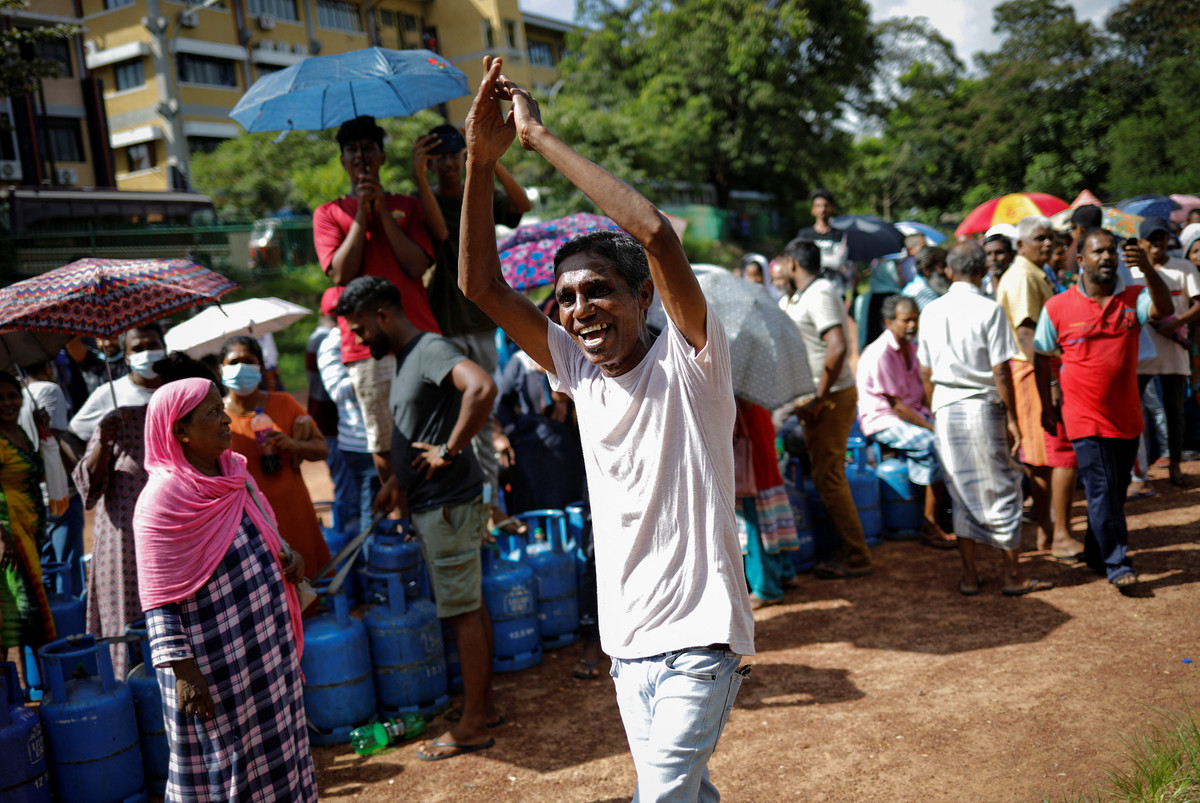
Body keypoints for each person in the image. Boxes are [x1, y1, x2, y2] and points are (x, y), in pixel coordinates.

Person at [458, 57, 754, 799]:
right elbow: (480, 287)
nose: (579, 307)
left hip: (700, 635)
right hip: (626, 644)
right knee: (687, 794)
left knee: (659, 795)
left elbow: (653, 230)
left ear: (642, 297)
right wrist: (477, 164)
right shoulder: (576, 369)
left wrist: (538, 139)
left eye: (599, 289)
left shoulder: (694, 357)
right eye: (565, 298)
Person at [335, 276, 501, 762]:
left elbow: (482, 386)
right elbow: (424, 427)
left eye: (360, 328)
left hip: (446, 505)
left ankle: (472, 724)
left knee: (462, 611)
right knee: (469, 604)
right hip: (436, 500)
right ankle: (483, 708)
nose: (359, 338)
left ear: (383, 315)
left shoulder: (429, 349)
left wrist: (450, 449)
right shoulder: (408, 358)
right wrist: (399, 481)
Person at [133, 378, 317, 800]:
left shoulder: (234, 471)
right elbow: (158, 597)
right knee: (225, 762)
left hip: (266, 646)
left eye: (222, 409)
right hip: (213, 662)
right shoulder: (162, 499)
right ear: (180, 431)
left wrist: (287, 555)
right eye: (213, 413)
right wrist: (183, 671)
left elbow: (263, 528)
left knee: (281, 742)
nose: (225, 419)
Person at [1036, 228, 1172, 589]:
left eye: (1112, 251)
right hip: (1083, 417)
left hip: (1126, 416)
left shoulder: (1133, 298)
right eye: (1098, 252)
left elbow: (1166, 308)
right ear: (1080, 260)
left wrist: (1148, 270)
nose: (1107, 257)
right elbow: (1041, 354)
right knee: (1101, 488)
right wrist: (1048, 402)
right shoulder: (1058, 307)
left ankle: (1097, 555)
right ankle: (1116, 563)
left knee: (1115, 490)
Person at [919, 241, 1053, 597]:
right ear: (982, 271)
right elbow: (1001, 371)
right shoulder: (989, 309)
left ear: (949, 270)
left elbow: (924, 371)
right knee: (1004, 489)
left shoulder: (931, 310)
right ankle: (1012, 575)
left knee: (960, 492)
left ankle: (969, 576)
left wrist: (935, 407)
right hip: (982, 407)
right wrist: (1011, 418)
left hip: (947, 408)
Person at [413, 122, 530, 521]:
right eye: (439, 157)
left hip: (480, 324)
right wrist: (418, 177)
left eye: (454, 154)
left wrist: (490, 161)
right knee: (447, 418)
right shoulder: (422, 202)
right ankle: (457, 504)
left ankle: (490, 505)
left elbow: (522, 205)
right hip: (441, 325)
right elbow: (441, 231)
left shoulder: (478, 196)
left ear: (464, 158)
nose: (448, 163)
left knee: (482, 418)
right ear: (430, 164)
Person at [313, 115, 438, 486]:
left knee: (431, 432)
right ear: (342, 160)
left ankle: (433, 505)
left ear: (382, 156)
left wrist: (382, 210)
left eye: (368, 148)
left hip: (418, 336)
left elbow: (416, 264)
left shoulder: (408, 207)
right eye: (352, 149)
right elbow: (341, 274)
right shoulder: (328, 213)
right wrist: (360, 218)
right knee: (383, 443)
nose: (361, 155)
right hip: (365, 347)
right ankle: (401, 517)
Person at [71, 353, 213, 679]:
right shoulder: (121, 420)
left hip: (179, 541)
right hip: (124, 546)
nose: (147, 352)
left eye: (153, 344)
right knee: (127, 626)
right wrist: (104, 443)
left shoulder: (194, 422)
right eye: (139, 345)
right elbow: (88, 489)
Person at [777, 237, 872, 579]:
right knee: (823, 475)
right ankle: (847, 545)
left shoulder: (819, 293)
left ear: (792, 263)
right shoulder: (800, 296)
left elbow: (837, 346)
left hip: (830, 397)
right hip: (815, 398)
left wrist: (818, 395)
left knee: (829, 478)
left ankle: (857, 555)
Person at [996, 215, 1084, 561]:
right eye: (1038, 238)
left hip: (1038, 368)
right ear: (1020, 245)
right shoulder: (1021, 276)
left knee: (1045, 455)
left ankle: (1050, 534)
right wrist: (1050, 381)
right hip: (1035, 370)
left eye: (1049, 237)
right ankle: (1058, 534)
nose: (1047, 243)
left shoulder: (1034, 272)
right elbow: (1026, 334)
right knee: (1057, 452)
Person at [219, 335, 331, 575]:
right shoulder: (217, 418)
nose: (240, 368)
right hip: (249, 518)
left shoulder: (284, 403)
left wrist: (292, 444)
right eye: (233, 362)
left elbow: (321, 449)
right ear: (221, 368)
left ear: (260, 365)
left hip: (293, 508)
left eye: (247, 361)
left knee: (308, 581)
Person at [857, 296, 954, 549]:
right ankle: (929, 524)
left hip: (911, 414)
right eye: (906, 320)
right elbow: (896, 407)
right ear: (890, 322)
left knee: (952, 436)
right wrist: (932, 427)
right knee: (934, 443)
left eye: (915, 319)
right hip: (883, 420)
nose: (912, 325)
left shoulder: (911, 348)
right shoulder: (880, 353)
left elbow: (919, 395)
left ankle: (944, 514)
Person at [1127, 216, 1200, 486]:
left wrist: (1177, 323)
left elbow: (1198, 304)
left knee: (1174, 411)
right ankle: (1137, 471)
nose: (1158, 243)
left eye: (1162, 237)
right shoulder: (1132, 272)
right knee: (1135, 411)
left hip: (1174, 352)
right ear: (1142, 242)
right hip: (1141, 354)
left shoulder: (1183, 268)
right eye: (1152, 238)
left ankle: (1176, 466)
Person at [0, 371, 55, 684]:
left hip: (29, 533)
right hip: (10, 538)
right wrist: (1, 534)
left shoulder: (19, 431)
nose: (8, 402)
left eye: (12, 395)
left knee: (26, 609)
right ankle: (23, 689)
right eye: (0, 398)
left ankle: (29, 686)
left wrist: (41, 430)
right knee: (22, 611)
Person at [317, 292, 380, 537]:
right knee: (369, 512)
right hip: (360, 444)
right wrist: (371, 371)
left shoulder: (372, 335)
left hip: (384, 439)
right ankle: (369, 564)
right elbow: (338, 391)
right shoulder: (331, 343)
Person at [18, 359, 81, 594]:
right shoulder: (50, 390)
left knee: (45, 564)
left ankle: (54, 618)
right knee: (66, 564)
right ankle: (70, 622)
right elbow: (57, 439)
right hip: (58, 491)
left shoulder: (17, 396)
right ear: (47, 368)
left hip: (32, 492)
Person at [66, 324, 166, 452]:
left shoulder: (182, 387)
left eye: (152, 346)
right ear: (127, 357)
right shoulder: (106, 390)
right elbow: (71, 436)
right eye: (138, 349)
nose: (146, 354)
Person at [795, 188, 850, 296]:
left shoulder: (839, 235)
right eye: (818, 206)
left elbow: (838, 263)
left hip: (835, 290)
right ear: (813, 210)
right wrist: (828, 259)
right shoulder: (804, 235)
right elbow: (800, 261)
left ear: (832, 208)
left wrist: (813, 259)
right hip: (809, 290)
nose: (823, 209)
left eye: (826, 205)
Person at [902, 245, 947, 311]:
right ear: (926, 270)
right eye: (943, 266)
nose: (947, 270)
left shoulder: (915, 287)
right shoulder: (924, 293)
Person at [981, 224, 1017, 297]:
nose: (993, 258)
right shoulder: (981, 289)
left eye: (999, 252)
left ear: (1011, 255)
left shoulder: (1019, 286)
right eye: (988, 254)